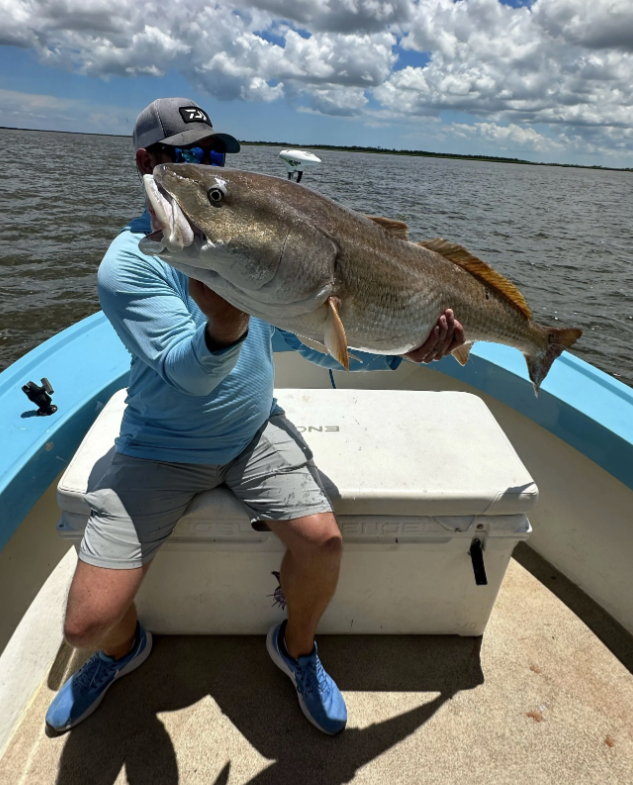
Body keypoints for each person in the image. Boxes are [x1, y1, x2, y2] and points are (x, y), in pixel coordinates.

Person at [45, 97, 465, 738]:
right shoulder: (127, 265)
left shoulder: (245, 251)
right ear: (146, 165)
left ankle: (296, 649)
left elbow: (307, 334)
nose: (199, 167)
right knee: (85, 624)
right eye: (182, 158)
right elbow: (184, 372)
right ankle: (121, 650)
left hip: (251, 431)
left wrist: (405, 349)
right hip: (161, 443)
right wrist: (226, 323)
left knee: (323, 541)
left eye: (211, 158)